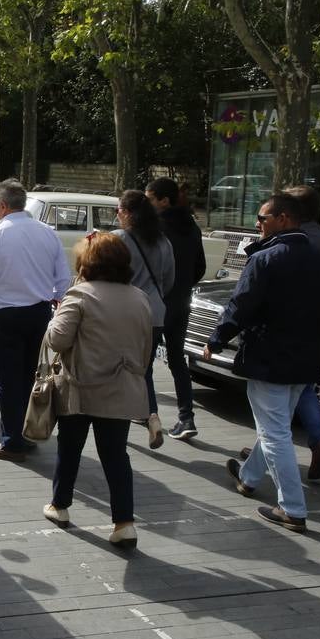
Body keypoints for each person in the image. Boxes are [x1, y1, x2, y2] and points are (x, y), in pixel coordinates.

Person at [208, 193, 320, 534]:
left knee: (275, 433)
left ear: (283, 219)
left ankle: (292, 509)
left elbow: (241, 305)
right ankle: (249, 477)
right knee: (276, 426)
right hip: (305, 360)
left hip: (270, 358)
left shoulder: (266, 259)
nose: (257, 223)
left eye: (262, 217)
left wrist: (217, 339)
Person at [43, 232, 154, 550]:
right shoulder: (139, 297)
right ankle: (124, 523)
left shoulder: (79, 295)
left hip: (80, 389)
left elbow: (57, 340)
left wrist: (54, 317)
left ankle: (60, 506)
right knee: (116, 455)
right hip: (121, 388)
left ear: (85, 261)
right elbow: (145, 350)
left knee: (70, 449)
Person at [0, 179, 72, 463]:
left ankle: (13, 440)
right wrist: (59, 304)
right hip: (39, 312)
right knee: (31, 377)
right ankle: (26, 433)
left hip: (8, 313)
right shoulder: (47, 233)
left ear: (0, 206)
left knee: (8, 380)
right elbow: (63, 278)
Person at [282, 184, 320, 479]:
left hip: (285, 324)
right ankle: (319, 442)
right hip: (317, 325)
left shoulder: (288, 239)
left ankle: (269, 446)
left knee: (276, 392)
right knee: (304, 387)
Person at [114, 189, 176, 449]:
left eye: (118, 210)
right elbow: (169, 280)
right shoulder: (163, 241)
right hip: (156, 313)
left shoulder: (119, 239)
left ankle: (119, 423)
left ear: (127, 213)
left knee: (119, 368)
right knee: (145, 370)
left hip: (125, 313)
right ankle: (151, 415)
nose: (117, 215)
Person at [146, 178, 206, 442]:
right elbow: (200, 267)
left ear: (163, 201)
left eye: (150, 199)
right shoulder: (192, 226)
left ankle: (151, 415)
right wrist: (183, 286)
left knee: (144, 363)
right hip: (182, 302)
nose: (147, 204)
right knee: (177, 359)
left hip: (157, 303)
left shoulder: (154, 228)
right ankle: (186, 417)